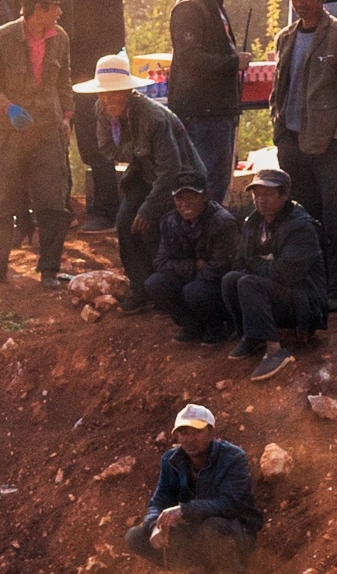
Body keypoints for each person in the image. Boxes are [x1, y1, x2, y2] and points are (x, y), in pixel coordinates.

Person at [72, 53, 201, 302]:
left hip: (182, 180)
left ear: (128, 92)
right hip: (144, 172)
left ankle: (166, 290)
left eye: (115, 93)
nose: (108, 100)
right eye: (103, 93)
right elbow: (108, 149)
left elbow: (171, 169)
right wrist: (139, 152)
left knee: (156, 227)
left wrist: (149, 208)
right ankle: (140, 287)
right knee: (124, 221)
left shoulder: (153, 118)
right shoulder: (102, 110)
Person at [0, 0, 73, 289]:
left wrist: (66, 117)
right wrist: (7, 108)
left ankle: (50, 271)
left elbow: (63, 81)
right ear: (37, 9)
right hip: (8, 133)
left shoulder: (61, 38)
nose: (59, 12)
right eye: (54, 6)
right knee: (1, 203)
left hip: (47, 131)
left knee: (53, 203)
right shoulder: (1, 38)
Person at [45, 0, 128, 232]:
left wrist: (89, 70)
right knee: (53, 146)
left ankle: (104, 211)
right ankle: (58, 209)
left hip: (91, 79)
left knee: (96, 146)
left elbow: (115, 37)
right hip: (52, 77)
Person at [123, 402, 260, 574]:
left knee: (212, 527)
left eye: (197, 432)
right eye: (184, 433)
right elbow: (158, 501)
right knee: (135, 536)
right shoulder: (170, 460)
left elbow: (229, 504)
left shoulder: (233, 457)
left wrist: (184, 510)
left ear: (211, 432)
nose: (189, 439)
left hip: (235, 531)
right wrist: (155, 526)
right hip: (197, 533)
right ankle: (196, 570)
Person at [217, 160, 322, 381]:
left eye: (268, 194)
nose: (260, 199)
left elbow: (287, 274)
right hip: (276, 292)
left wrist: (255, 264)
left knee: (248, 282)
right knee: (230, 279)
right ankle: (251, 336)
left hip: (303, 302)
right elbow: (239, 261)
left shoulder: (301, 226)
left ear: (284, 195)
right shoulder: (254, 222)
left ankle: (275, 351)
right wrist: (257, 265)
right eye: (257, 193)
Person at [163, 0, 241, 198]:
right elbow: (190, 59)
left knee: (215, 187)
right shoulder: (189, 6)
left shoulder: (209, 0)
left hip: (215, 111)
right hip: (202, 115)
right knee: (205, 190)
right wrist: (233, 62)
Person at [270, 0, 337, 226]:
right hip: (291, 141)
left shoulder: (334, 36)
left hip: (328, 146)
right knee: (301, 219)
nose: (300, 3)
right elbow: (279, 90)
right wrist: (280, 132)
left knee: (332, 218)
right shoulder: (285, 37)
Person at [145, 180, 237, 340]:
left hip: (216, 283)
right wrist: (193, 266)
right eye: (179, 199)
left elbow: (220, 267)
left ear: (205, 197)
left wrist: (190, 280)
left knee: (195, 291)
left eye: (191, 198)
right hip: (193, 276)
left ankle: (217, 326)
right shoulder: (170, 222)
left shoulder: (223, 222)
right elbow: (160, 262)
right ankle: (191, 325)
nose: (184, 204)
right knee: (155, 283)